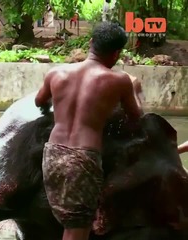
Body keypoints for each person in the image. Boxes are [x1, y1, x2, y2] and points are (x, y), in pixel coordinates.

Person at [34, 21, 143, 240]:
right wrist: (136, 89)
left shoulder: (56, 73)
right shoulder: (120, 80)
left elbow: (40, 101)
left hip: (53, 155)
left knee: (68, 221)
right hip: (83, 159)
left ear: (91, 43)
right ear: (116, 54)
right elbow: (136, 116)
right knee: (77, 229)